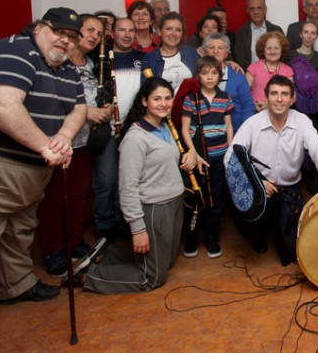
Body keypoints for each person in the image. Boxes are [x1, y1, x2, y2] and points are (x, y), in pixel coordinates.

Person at [0, 8, 87, 352]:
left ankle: (17, 286)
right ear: (39, 27)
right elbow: (2, 106)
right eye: (59, 33)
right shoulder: (13, 50)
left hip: (35, 171)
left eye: (71, 37)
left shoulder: (67, 68)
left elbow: (79, 108)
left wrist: (65, 137)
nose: (65, 41)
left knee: (18, 231)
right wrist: (45, 144)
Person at [82, 77, 198, 293]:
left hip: (174, 202)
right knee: (152, 277)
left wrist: (189, 155)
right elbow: (127, 188)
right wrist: (137, 229)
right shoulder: (135, 138)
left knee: (168, 261)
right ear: (144, 101)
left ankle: (105, 254)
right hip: (154, 207)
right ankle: (88, 276)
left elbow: (168, 161)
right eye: (157, 99)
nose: (163, 104)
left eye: (167, 98)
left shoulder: (165, 127)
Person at [227, 75, 318, 265]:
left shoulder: (302, 121)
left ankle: (276, 224)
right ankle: (259, 234)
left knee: (290, 255)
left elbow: (317, 148)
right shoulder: (252, 123)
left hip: (289, 188)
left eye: (284, 94)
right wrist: (255, 183)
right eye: (274, 93)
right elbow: (230, 158)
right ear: (266, 97)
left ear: (293, 98)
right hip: (260, 188)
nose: (279, 99)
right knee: (252, 226)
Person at [37, 15, 110, 277]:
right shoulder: (57, 60)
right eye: (89, 30)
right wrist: (87, 112)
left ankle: (74, 242)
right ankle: (52, 250)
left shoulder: (91, 64)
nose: (93, 36)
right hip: (57, 140)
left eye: (99, 34)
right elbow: (51, 99)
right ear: (77, 32)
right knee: (54, 198)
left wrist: (104, 109)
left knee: (79, 195)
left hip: (84, 141)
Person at [92, 17, 145, 241]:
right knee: (107, 181)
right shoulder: (99, 61)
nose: (127, 34)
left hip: (133, 129)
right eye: (122, 30)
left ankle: (123, 222)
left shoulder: (142, 59)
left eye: (131, 30)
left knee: (130, 180)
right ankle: (104, 227)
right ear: (112, 33)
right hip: (106, 129)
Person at [181, 56, 234, 259]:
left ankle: (212, 237)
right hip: (198, 156)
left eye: (214, 73)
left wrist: (229, 151)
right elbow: (185, 130)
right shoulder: (191, 99)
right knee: (196, 197)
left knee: (217, 197)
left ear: (220, 75)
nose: (209, 77)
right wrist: (193, 153)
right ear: (198, 76)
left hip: (219, 156)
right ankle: (192, 237)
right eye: (205, 73)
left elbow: (229, 126)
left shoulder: (225, 97)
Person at [203, 33, 254, 132]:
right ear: (205, 52)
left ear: (226, 53)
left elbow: (247, 106)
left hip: (237, 131)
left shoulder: (237, 75)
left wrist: (245, 131)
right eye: (211, 47)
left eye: (220, 48)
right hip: (209, 133)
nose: (216, 51)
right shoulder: (199, 76)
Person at [141, 12, 200, 91]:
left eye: (178, 30)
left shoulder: (192, 53)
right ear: (159, 31)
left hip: (191, 103)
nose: (174, 33)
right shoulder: (149, 59)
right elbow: (148, 89)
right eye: (168, 29)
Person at [246, 31, 294, 112]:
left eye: (276, 48)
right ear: (263, 50)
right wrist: (254, 105)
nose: (273, 51)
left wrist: (271, 105)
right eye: (269, 48)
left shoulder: (288, 70)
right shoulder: (253, 68)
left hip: (280, 113)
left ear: (281, 50)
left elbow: (292, 97)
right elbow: (243, 93)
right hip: (256, 113)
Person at [234, 0, 283, 70]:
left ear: (265, 9)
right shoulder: (241, 33)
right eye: (252, 9)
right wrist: (255, 72)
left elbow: (284, 54)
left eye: (259, 8)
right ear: (247, 11)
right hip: (250, 76)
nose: (256, 12)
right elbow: (240, 59)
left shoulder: (276, 30)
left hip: (275, 75)